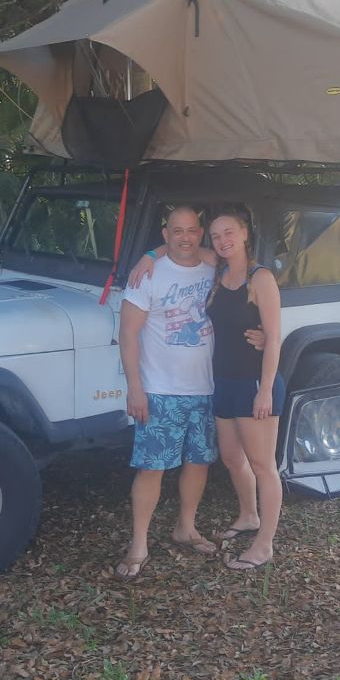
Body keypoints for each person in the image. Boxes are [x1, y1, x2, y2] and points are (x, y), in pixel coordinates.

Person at [114, 205, 220, 580]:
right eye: (177, 231)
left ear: (200, 231)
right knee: (152, 468)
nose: (185, 237)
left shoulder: (212, 268)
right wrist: (135, 389)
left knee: (198, 461)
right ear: (165, 234)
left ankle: (185, 527)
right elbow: (127, 334)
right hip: (160, 390)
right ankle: (139, 543)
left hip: (205, 388)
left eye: (192, 230)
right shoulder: (148, 275)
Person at [203, 207, 284, 571]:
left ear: (245, 233)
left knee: (263, 466)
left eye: (229, 232)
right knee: (232, 458)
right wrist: (150, 256)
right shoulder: (219, 272)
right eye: (216, 235)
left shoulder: (260, 277)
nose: (223, 241)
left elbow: (275, 338)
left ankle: (264, 543)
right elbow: (181, 247)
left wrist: (265, 389)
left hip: (254, 382)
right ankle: (249, 515)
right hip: (223, 381)